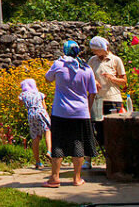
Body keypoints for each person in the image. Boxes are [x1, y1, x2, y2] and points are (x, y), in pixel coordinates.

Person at [42, 40, 98, 188]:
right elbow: (92, 92)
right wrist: (87, 107)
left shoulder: (59, 64)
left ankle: (54, 177)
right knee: (78, 144)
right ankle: (77, 178)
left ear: (65, 51)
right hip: (81, 112)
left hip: (61, 111)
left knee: (58, 144)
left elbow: (47, 79)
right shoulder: (86, 69)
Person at [88, 36, 127, 149]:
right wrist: (94, 81)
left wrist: (112, 78)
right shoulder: (92, 60)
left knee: (113, 129)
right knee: (98, 129)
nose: (94, 52)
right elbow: (88, 75)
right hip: (98, 99)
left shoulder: (115, 60)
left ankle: (114, 154)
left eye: (96, 50)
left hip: (113, 98)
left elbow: (124, 81)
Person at [18, 78, 52, 169]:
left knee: (35, 137)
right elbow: (44, 106)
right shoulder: (39, 94)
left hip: (31, 114)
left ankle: (38, 162)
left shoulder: (23, 95)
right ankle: (49, 151)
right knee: (47, 130)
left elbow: (20, 104)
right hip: (41, 112)